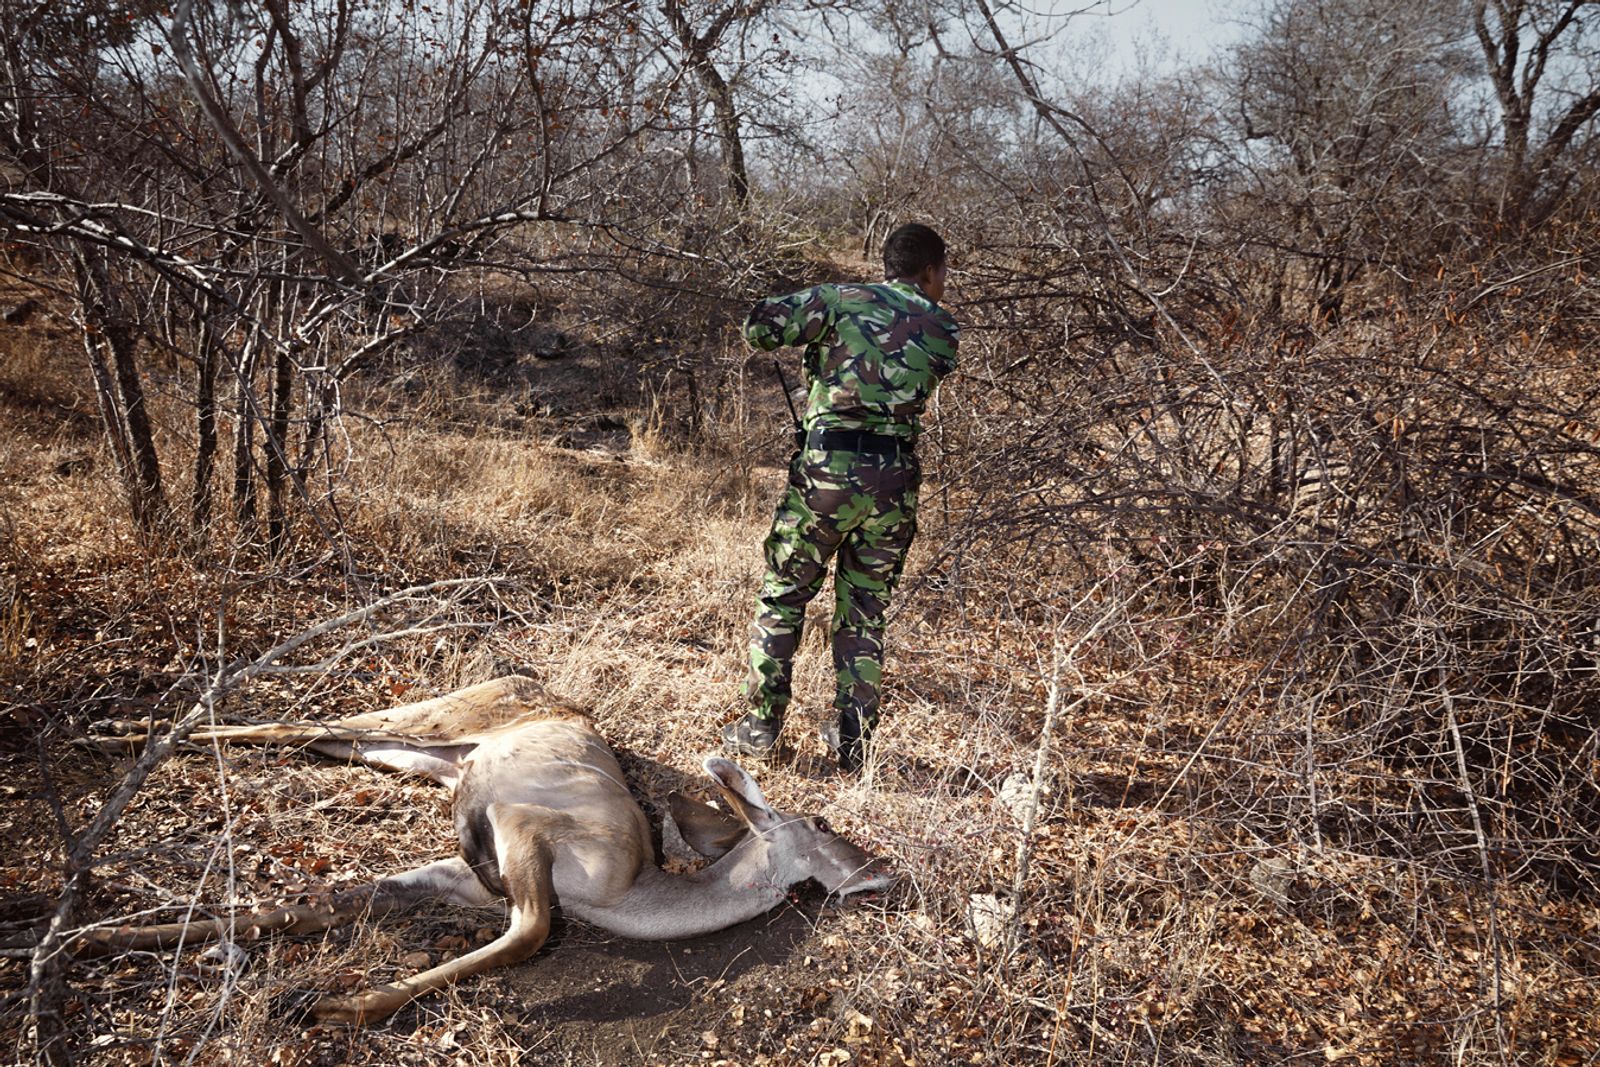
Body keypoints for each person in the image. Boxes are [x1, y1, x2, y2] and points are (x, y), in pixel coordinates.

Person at [722, 223, 959, 772]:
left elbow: (758, 328)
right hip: (895, 480)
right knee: (865, 612)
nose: (945, 281)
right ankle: (855, 743)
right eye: (944, 271)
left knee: (784, 594)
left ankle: (760, 727)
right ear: (930, 270)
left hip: (826, 473)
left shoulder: (839, 299)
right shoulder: (943, 326)